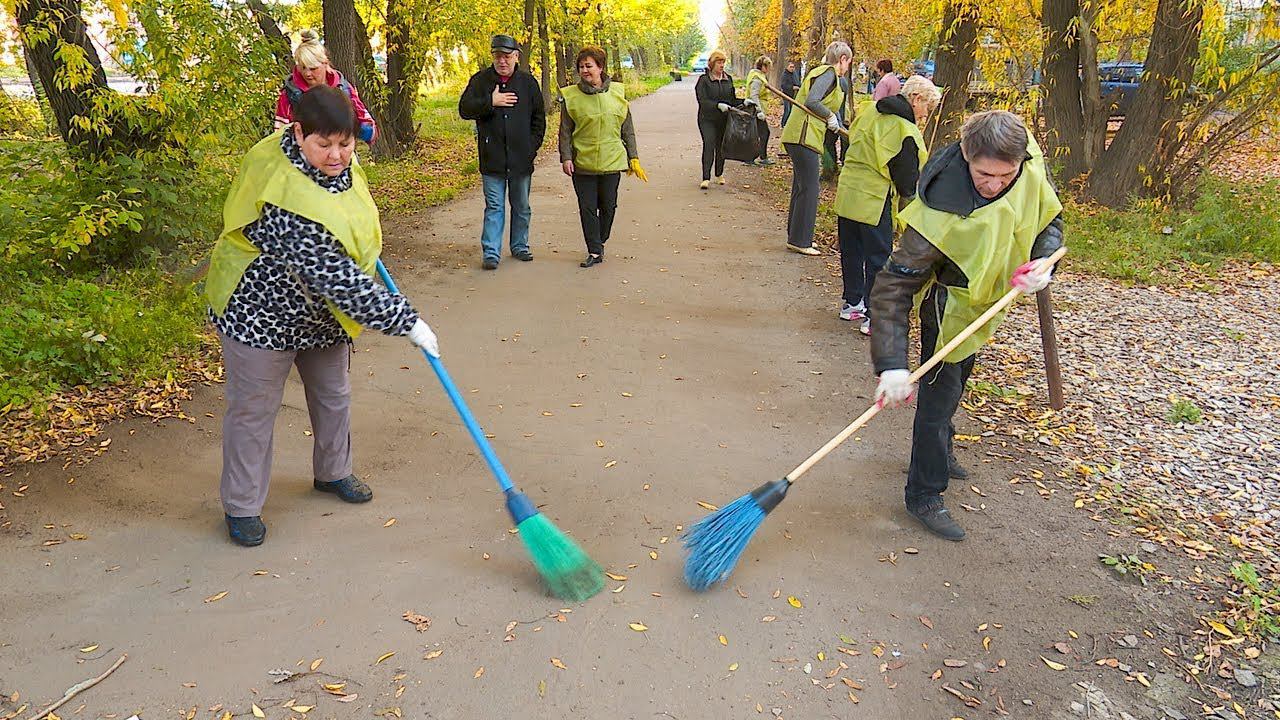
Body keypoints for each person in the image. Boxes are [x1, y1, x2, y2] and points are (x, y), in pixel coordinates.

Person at [207, 86, 439, 547]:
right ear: (298, 132)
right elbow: (342, 282)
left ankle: (333, 473)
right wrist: (407, 321)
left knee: (333, 395)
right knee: (254, 413)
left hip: (319, 315)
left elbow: (351, 218)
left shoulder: (340, 161)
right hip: (260, 312)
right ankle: (242, 506)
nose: (337, 155)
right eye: (324, 144)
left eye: (345, 143)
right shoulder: (284, 196)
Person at [869, 110, 1064, 541]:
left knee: (959, 383)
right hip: (952, 306)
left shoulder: (1028, 161)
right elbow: (893, 288)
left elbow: (1050, 219)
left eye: (1004, 175)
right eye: (984, 175)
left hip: (991, 302)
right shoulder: (937, 212)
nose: (994, 184)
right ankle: (924, 493)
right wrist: (892, 365)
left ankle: (942, 451)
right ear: (965, 153)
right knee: (938, 398)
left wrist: (1043, 261)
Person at [835, 75, 941, 335]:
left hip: (848, 189)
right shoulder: (904, 130)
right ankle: (874, 316)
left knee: (851, 250)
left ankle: (853, 302)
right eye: (926, 108)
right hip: (874, 197)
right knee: (878, 257)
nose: (925, 116)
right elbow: (906, 178)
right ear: (916, 99)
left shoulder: (870, 111)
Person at [458, 34, 547, 270]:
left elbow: (539, 118)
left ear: (516, 56)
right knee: (494, 206)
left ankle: (519, 246)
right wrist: (490, 101)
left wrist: (531, 147)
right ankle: (491, 252)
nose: (502, 61)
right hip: (492, 158)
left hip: (521, 158)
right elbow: (464, 109)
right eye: (498, 56)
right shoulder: (480, 81)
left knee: (522, 206)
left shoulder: (528, 84)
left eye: (507, 56)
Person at [558, 46, 647, 268]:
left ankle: (601, 240)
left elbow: (628, 129)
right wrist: (566, 157)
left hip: (611, 161)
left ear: (601, 67)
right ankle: (594, 250)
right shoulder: (571, 97)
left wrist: (633, 157)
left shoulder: (617, 93)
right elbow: (565, 131)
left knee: (608, 206)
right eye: (581, 67)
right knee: (588, 208)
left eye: (589, 66)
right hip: (583, 163)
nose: (585, 71)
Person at [780, 41, 852, 256]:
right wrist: (829, 116)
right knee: (810, 188)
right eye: (848, 62)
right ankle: (801, 240)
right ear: (842, 59)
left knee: (802, 186)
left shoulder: (832, 79)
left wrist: (838, 123)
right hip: (804, 135)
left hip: (802, 135)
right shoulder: (828, 73)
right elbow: (813, 101)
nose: (848, 67)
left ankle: (796, 236)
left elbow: (831, 108)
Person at [274, 29, 377, 144]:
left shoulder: (343, 88)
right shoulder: (290, 94)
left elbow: (367, 125)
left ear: (325, 64)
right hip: (301, 158)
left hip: (338, 155)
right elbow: (279, 136)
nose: (307, 73)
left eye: (313, 68)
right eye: (303, 68)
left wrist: (361, 130)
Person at [693, 50, 744, 189]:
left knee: (721, 147)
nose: (721, 65)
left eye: (723, 62)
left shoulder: (728, 79)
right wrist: (716, 105)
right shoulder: (704, 80)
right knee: (709, 144)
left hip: (724, 119)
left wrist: (745, 102)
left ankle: (719, 173)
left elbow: (732, 100)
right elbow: (702, 101)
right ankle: (705, 178)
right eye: (719, 62)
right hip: (707, 118)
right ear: (712, 64)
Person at [744, 56, 774, 166]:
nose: (769, 69)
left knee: (757, 133)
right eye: (768, 66)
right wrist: (759, 110)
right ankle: (759, 157)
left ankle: (753, 157)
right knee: (763, 133)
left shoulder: (758, 75)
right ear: (763, 66)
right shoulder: (757, 78)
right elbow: (754, 95)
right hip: (755, 110)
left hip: (756, 109)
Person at [780, 60, 802, 128]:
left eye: (793, 67)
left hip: (793, 95)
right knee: (787, 110)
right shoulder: (785, 75)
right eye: (791, 67)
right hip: (786, 95)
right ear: (787, 67)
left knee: (791, 111)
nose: (792, 68)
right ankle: (783, 124)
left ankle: (788, 124)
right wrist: (792, 87)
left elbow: (798, 83)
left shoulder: (794, 74)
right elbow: (783, 86)